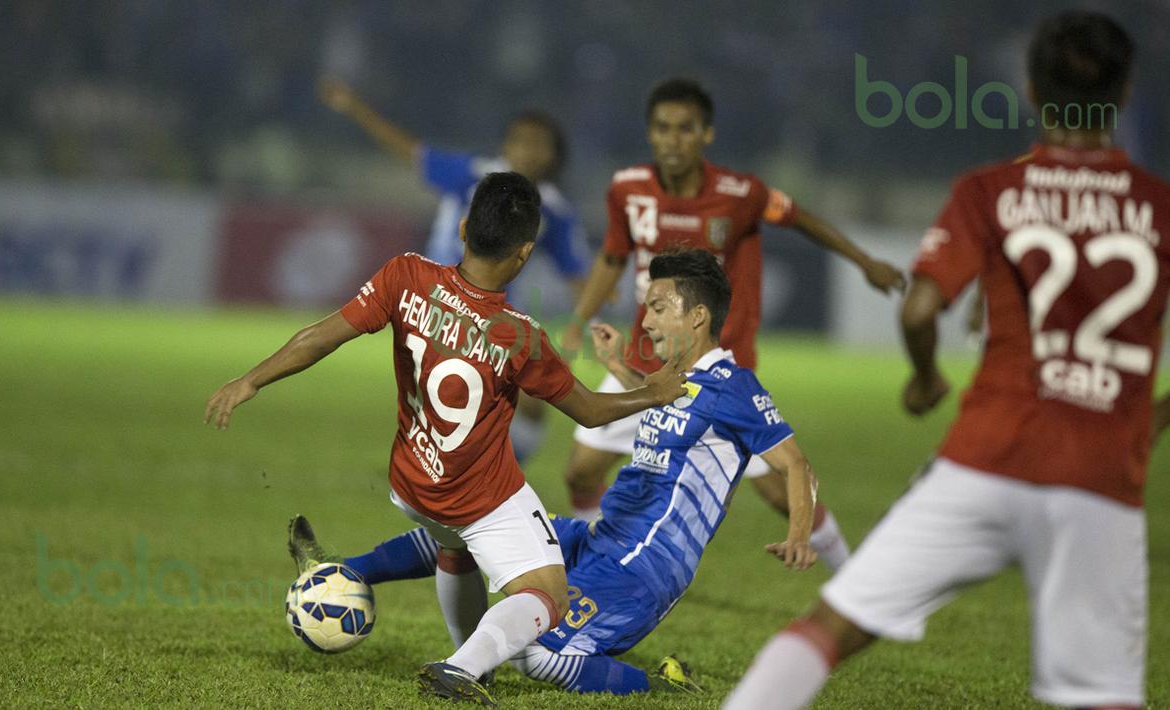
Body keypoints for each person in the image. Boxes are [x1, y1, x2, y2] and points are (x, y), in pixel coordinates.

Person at [724, 12, 1169, 709]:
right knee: (1101, 692)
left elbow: (918, 307)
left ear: (1028, 88)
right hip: (1100, 473)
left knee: (829, 629)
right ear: (1125, 93)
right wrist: (1149, 417)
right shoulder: (1158, 205)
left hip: (985, 459)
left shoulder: (990, 191)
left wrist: (926, 376)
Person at [204, 172, 687, 707]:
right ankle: (462, 668)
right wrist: (653, 391)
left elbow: (319, 336)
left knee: (455, 552)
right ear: (525, 253)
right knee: (547, 596)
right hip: (479, 496)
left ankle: (471, 661)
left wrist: (249, 379)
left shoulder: (405, 276)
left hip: (411, 484)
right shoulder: (520, 335)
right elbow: (592, 411)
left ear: (462, 228)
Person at [294, 248, 823, 696]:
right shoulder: (676, 380)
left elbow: (795, 462)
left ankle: (656, 683)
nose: (649, 320)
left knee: (534, 653)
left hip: (642, 568)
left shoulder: (735, 388)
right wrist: (620, 368)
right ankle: (346, 570)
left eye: (660, 308)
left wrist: (799, 533)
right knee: (475, 524)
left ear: (699, 316)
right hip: (599, 536)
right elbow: (670, 410)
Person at [560, 77, 906, 570]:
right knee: (581, 472)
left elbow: (803, 219)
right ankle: (601, 559)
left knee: (779, 490)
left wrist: (865, 260)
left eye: (684, 129)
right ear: (650, 133)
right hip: (645, 360)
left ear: (706, 135)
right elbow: (614, 256)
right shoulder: (627, 189)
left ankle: (852, 580)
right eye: (662, 128)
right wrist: (579, 321)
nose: (671, 140)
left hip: (713, 372)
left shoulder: (740, 193)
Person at [319, 76, 591, 463]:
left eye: (538, 145)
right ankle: (471, 485)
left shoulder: (553, 210)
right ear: (506, 145)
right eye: (521, 141)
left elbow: (577, 274)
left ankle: (483, 482)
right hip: (438, 299)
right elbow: (410, 152)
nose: (528, 152)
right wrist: (353, 107)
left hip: (491, 312)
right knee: (488, 398)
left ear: (553, 156)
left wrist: (592, 314)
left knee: (530, 401)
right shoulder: (472, 174)